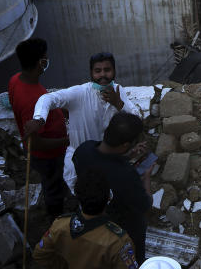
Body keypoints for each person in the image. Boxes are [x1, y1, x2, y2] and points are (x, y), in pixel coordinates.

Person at [23, 52, 133, 191]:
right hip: (78, 162)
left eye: (107, 70)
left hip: (108, 159)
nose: (103, 75)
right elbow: (47, 98)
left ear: (114, 71)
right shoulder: (80, 93)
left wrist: (118, 104)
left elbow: (135, 120)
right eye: (98, 71)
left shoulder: (118, 91)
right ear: (91, 73)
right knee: (83, 200)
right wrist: (39, 119)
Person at [72, 113, 153, 264]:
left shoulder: (84, 150)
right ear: (124, 145)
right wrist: (146, 178)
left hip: (90, 217)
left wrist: (127, 156)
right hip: (120, 228)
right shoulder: (126, 175)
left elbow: (103, 163)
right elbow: (145, 205)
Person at [7, 38, 69, 217]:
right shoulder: (30, 100)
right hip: (48, 156)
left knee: (54, 181)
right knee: (53, 187)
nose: (47, 60)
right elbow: (36, 143)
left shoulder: (16, 80)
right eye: (45, 58)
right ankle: (56, 220)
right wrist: (68, 140)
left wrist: (58, 110)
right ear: (40, 63)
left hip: (47, 152)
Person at [32, 171, 139, 269]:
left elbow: (40, 255)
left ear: (78, 198)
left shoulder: (60, 224)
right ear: (109, 198)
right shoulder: (119, 241)